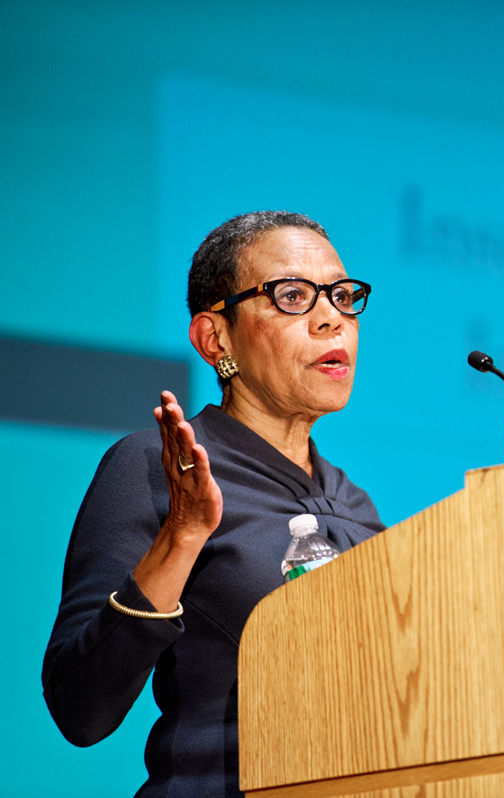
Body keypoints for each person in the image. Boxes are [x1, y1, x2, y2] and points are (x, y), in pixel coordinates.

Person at [42, 211, 387, 797]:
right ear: (215, 339)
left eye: (342, 296)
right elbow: (81, 707)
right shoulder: (156, 467)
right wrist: (181, 535)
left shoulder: (358, 508)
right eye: (294, 296)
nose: (332, 319)